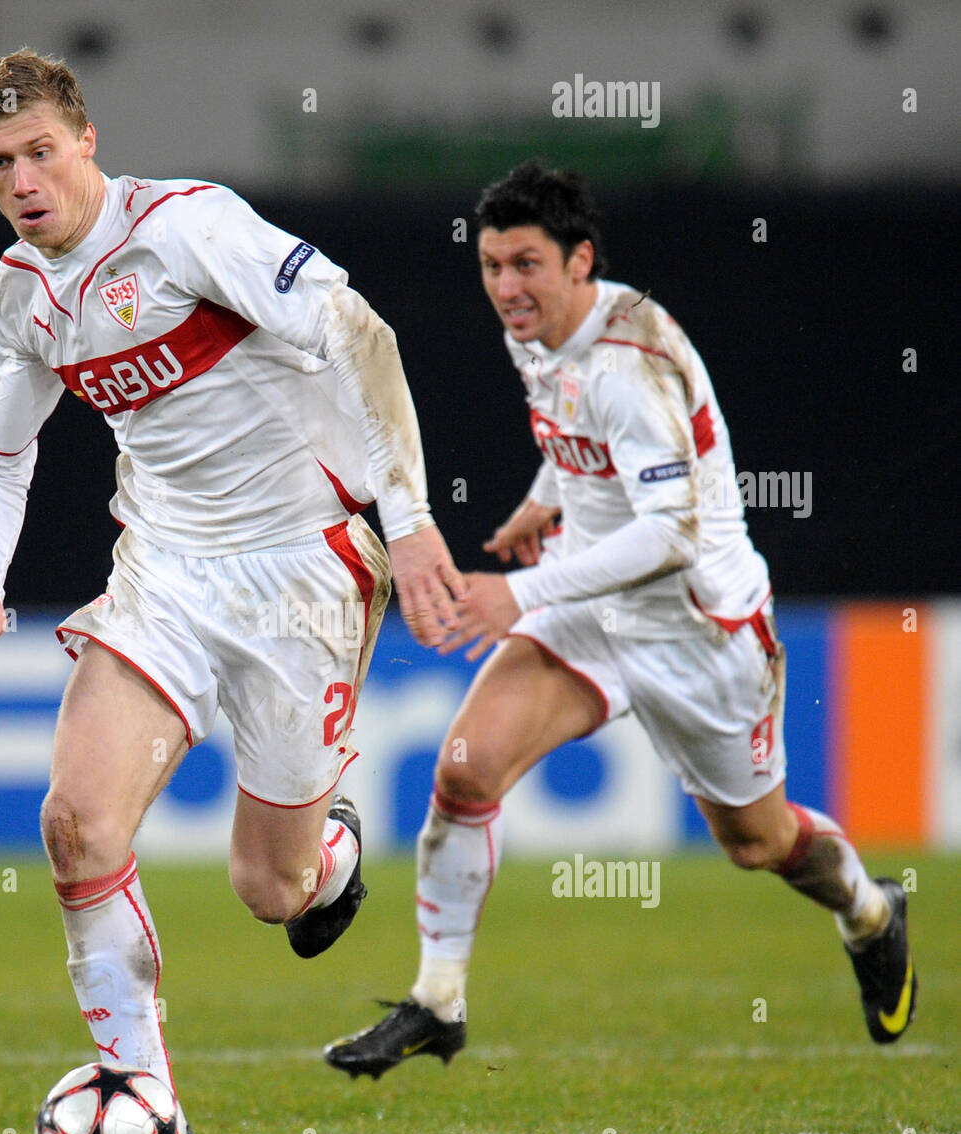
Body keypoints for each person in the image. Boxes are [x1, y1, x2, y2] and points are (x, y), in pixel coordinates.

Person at [0, 49, 464, 1134]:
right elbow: (0, 455)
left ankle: (326, 855)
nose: (24, 180)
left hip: (302, 571)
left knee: (268, 890)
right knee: (76, 825)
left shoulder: (186, 228)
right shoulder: (22, 294)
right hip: (166, 572)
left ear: (85, 141)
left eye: (41, 152)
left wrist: (410, 519)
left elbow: (360, 334)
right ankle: (153, 1113)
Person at [325, 161, 916, 1079]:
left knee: (757, 842)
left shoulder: (624, 364)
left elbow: (674, 532)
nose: (506, 287)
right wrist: (544, 497)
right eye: (490, 265)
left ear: (580, 260)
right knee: (465, 772)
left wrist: (515, 591)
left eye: (525, 264)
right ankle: (438, 1000)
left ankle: (870, 911)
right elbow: (578, 434)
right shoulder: (547, 329)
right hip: (591, 605)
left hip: (699, 629)